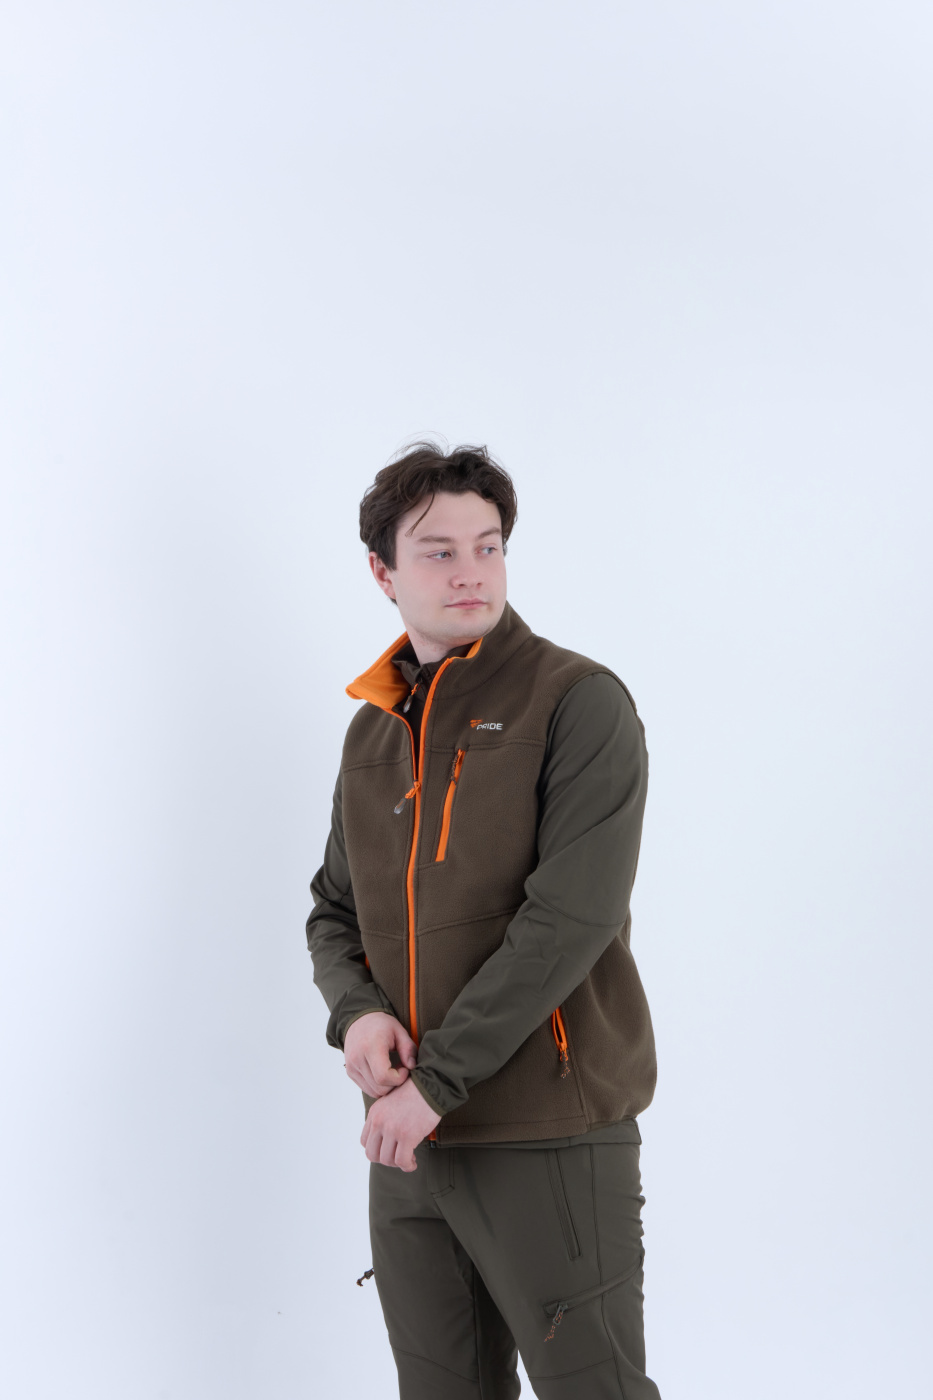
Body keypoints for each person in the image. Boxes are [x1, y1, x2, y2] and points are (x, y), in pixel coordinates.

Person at [306, 441, 662, 1399]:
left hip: (543, 1128)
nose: (470, 571)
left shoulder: (576, 702)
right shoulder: (373, 731)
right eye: (438, 551)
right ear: (382, 572)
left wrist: (438, 1083)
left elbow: (570, 916)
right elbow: (334, 911)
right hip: (408, 1137)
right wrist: (357, 1016)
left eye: (488, 546)